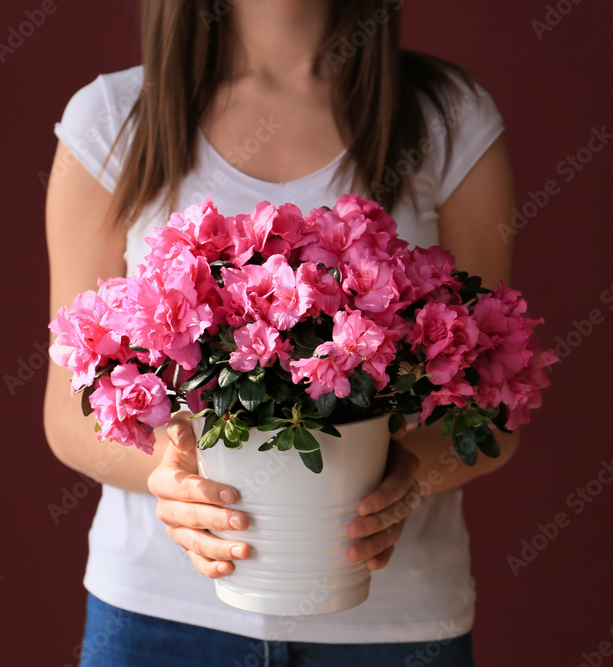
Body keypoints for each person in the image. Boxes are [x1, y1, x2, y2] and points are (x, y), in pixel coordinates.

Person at [43, 1, 519, 664]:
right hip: (159, 619)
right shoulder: (112, 121)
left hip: (392, 630)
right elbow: (68, 411)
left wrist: (407, 477)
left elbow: (494, 404)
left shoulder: (449, 120)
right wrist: (171, 475)